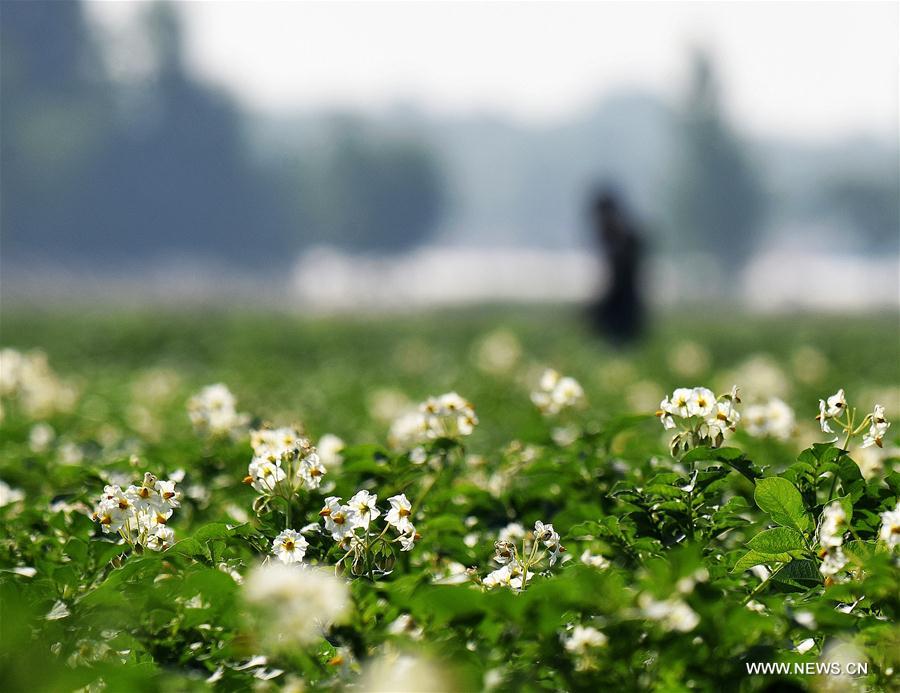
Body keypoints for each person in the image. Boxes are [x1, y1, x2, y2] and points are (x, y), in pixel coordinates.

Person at [588, 188, 645, 343]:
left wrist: (597, 309)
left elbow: (619, 280)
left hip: (624, 311)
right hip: (621, 309)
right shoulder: (622, 237)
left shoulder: (625, 239)